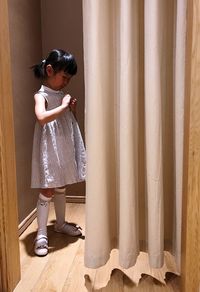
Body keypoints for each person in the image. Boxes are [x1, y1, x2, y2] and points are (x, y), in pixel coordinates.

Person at [31, 49, 86, 256]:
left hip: (62, 145)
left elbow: (70, 123)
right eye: (64, 77)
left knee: (61, 184)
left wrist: (72, 110)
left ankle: (60, 224)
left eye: (69, 79)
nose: (66, 82)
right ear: (50, 70)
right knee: (48, 188)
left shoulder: (62, 95)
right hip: (49, 147)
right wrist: (63, 107)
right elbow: (42, 118)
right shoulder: (41, 95)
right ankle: (41, 234)